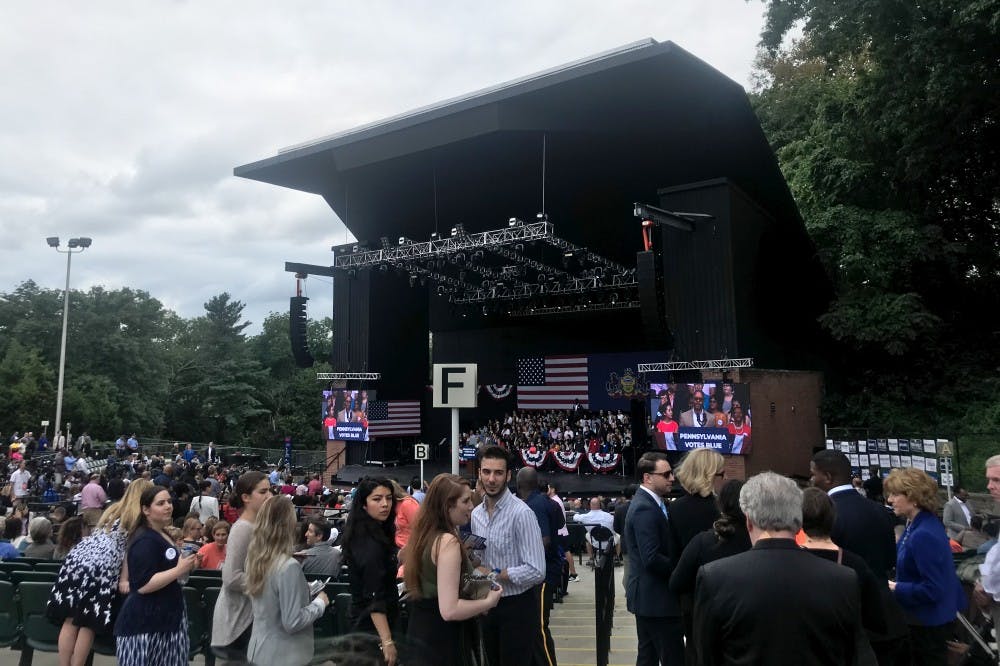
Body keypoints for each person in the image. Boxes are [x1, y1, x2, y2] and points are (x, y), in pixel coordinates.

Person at [692, 472, 862, 665]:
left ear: (748, 521)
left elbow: (706, 656)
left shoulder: (715, 578)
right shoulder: (843, 579)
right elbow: (850, 654)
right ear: (798, 524)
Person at [810, 450, 907, 664]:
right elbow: (890, 560)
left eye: (813, 474)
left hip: (850, 621)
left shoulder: (828, 515)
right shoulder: (880, 511)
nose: (811, 480)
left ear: (827, 477)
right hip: (888, 617)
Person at [47, 478, 154, 666]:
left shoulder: (113, 509)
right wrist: (124, 578)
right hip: (103, 564)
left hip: (79, 557)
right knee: (88, 622)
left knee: (70, 618)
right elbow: (130, 550)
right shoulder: (139, 516)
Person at [404, 473, 502, 666]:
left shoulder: (424, 535)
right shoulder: (447, 542)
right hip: (442, 641)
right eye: (465, 501)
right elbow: (449, 610)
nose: (471, 506)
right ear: (447, 505)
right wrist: (488, 602)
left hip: (421, 634)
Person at [471, 446, 546, 666]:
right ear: (479, 473)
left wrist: (495, 573)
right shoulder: (476, 514)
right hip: (487, 605)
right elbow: (479, 560)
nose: (491, 479)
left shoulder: (522, 514)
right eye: (486, 472)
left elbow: (536, 570)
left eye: (498, 472)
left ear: (508, 475)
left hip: (517, 607)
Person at [884, 468, 966, 665]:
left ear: (913, 497)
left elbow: (933, 588)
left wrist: (896, 588)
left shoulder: (923, 533)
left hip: (928, 624)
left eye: (895, 494)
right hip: (922, 621)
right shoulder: (917, 524)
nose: (889, 500)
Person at [114, 485, 201, 666]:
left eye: (169, 501)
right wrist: (179, 569)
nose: (168, 506)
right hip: (145, 626)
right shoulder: (145, 540)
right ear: (146, 509)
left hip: (166, 621)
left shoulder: (162, 533)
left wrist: (184, 566)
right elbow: (143, 585)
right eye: (160, 503)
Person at [800, 487, 886, 664]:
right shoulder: (856, 564)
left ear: (799, 520)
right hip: (845, 652)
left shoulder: (789, 561)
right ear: (833, 518)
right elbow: (876, 619)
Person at [245, 495, 329, 666]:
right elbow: (293, 622)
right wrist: (320, 604)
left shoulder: (254, 558)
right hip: (284, 656)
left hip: (259, 650)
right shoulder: (288, 567)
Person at [624, 451, 684, 666]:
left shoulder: (653, 504)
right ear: (647, 477)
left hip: (651, 599)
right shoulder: (644, 508)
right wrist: (681, 570)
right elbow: (651, 557)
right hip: (657, 600)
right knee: (672, 657)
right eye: (666, 474)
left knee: (648, 657)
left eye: (672, 473)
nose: (672, 478)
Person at [211, 470, 271, 663]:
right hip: (240, 620)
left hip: (248, 616)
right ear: (246, 497)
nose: (269, 496)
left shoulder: (255, 526)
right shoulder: (242, 529)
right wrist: (271, 583)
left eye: (269, 491)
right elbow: (231, 577)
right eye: (262, 492)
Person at [341, 477, 401, 666]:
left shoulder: (372, 533)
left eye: (389, 498)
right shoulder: (369, 543)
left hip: (366, 624)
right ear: (364, 504)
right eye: (377, 499)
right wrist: (387, 640)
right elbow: (374, 596)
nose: (385, 504)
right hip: (371, 629)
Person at [668, 479, 751, 595]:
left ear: (720, 504)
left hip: (711, 606)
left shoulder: (702, 542)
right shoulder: (759, 540)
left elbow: (676, 583)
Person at [517, 467, 563, 666]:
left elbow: (544, 541)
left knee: (540, 627)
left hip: (542, 574)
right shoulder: (549, 502)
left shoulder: (533, 506)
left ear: (518, 485)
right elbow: (560, 525)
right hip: (550, 568)